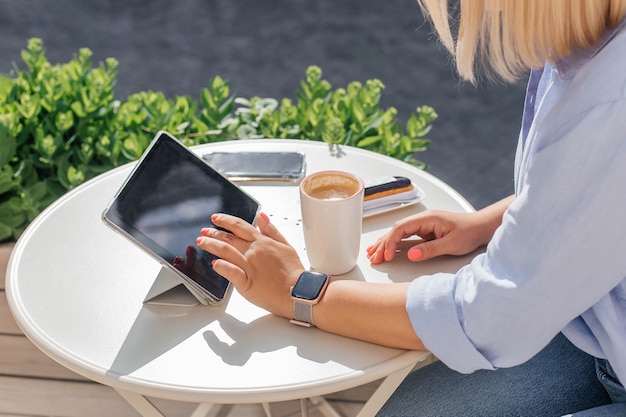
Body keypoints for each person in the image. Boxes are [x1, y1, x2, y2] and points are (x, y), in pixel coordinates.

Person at [195, 0, 626, 415]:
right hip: (595, 330)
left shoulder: (613, 101)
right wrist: (492, 223)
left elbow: (489, 317)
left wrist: (298, 290)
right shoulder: (594, 51)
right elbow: (596, 188)